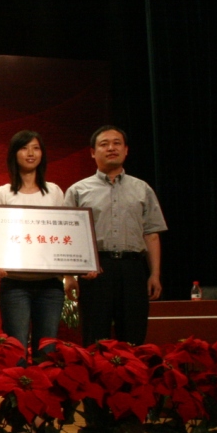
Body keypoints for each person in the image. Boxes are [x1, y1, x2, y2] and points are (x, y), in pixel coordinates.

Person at [64, 125, 167, 346]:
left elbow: (151, 234)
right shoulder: (78, 190)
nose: (111, 148)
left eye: (117, 143)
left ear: (126, 150)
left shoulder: (142, 189)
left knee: (133, 337)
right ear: (93, 152)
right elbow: (68, 236)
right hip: (95, 271)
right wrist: (70, 275)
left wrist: (155, 274)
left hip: (133, 269)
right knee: (95, 338)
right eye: (104, 144)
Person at [0, 130, 66, 357]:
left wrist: (74, 270)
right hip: (15, 284)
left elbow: (63, 234)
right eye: (24, 148)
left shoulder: (54, 192)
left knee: (47, 351)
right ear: (14, 154)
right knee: (16, 351)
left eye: (36, 148)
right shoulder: (2, 193)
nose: (30, 153)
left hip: (50, 285)